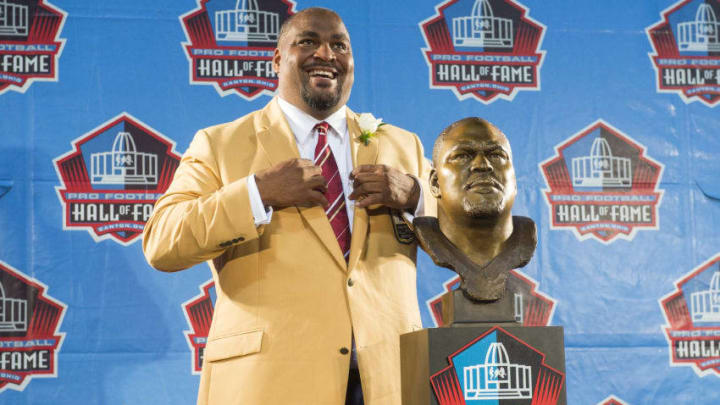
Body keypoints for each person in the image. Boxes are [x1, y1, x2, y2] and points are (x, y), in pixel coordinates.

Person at [142, 7, 434, 405]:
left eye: (339, 46)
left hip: (388, 382)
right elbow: (162, 242)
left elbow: (473, 234)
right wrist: (257, 193)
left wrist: (416, 195)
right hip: (269, 383)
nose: (326, 55)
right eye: (308, 41)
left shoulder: (405, 146)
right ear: (278, 59)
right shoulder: (220, 144)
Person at [414, 117, 536, 308]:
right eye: (463, 155)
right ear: (435, 183)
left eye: (496, 155)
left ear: (515, 180)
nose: (483, 165)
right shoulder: (427, 233)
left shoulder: (525, 237)